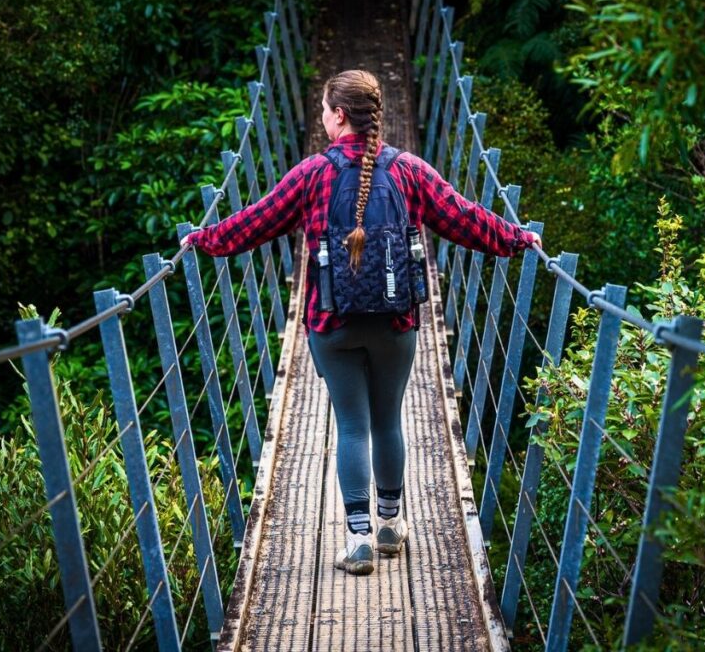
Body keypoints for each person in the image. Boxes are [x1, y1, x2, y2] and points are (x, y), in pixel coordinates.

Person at [180, 69, 541, 575]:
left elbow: (255, 222)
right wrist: (515, 237)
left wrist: (205, 238)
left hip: (332, 324)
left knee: (351, 425)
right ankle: (392, 524)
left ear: (340, 116)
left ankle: (358, 538)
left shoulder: (311, 174)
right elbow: (463, 217)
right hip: (396, 323)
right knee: (387, 419)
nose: (322, 119)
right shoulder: (410, 170)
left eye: (325, 110)